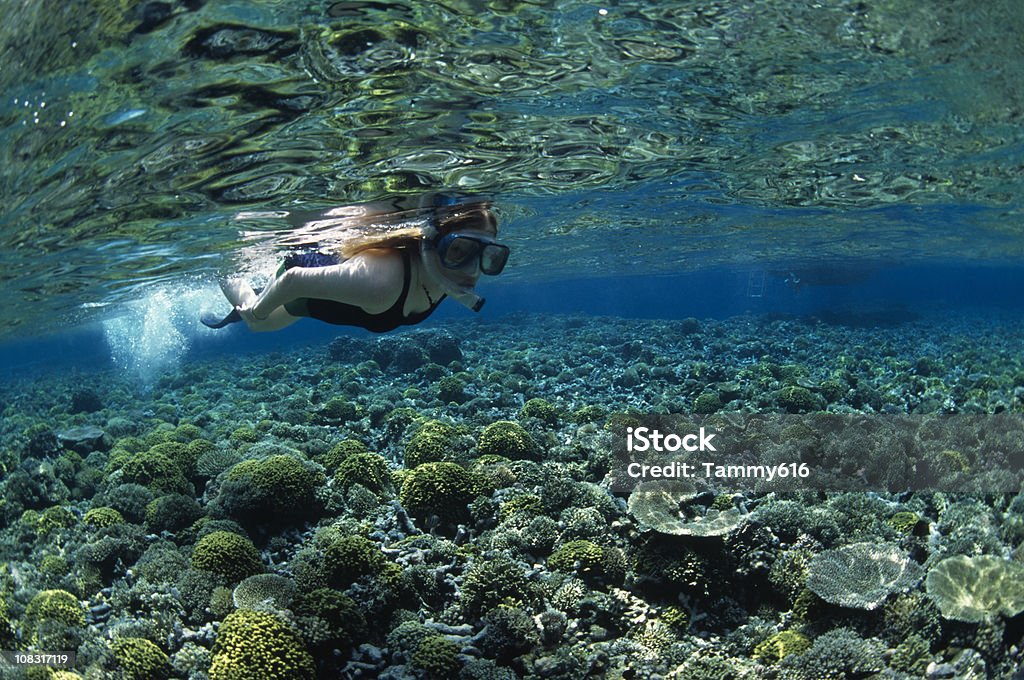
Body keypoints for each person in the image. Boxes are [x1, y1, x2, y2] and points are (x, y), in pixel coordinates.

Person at [201, 195, 509, 333]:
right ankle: (224, 268)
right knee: (259, 324)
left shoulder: (444, 275)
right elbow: (294, 280)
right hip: (304, 282)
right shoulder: (380, 284)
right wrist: (257, 309)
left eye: (489, 257)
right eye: (459, 251)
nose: (472, 270)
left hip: (328, 293)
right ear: (429, 244)